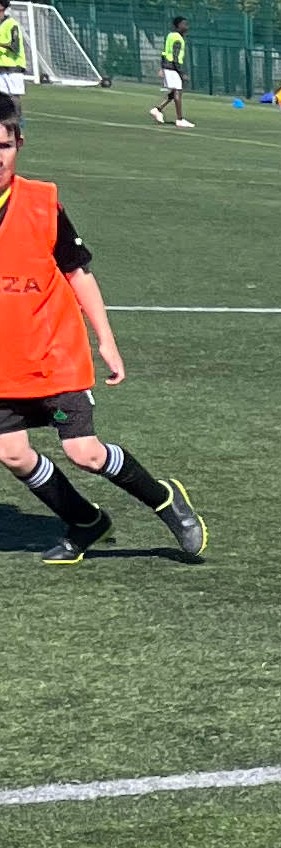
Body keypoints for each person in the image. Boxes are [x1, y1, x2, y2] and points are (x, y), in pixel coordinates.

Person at [0, 100, 206, 565]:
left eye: (5, 145)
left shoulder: (41, 204)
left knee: (84, 453)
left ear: (19, 144)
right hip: (4, 364)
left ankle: (164, 501)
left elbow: (78, 274)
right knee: (12, 453)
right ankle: (87, 521)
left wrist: (105, 339)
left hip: (54, 356)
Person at [152, 17, 190, 127]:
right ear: (178, 26)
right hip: (172, 68)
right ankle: (180, 119)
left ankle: (157, 109)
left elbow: (164, 53)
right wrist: (181, 73)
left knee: (174, 92)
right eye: (184, 24)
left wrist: (162, 67)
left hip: (168, 66)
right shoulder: (178, 38)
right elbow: (175, 57)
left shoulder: (170, 36)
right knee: (178, 92)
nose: (186, 27)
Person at [0, 1, 30, 112]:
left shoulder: (11, 24)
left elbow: (15, 46)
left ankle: (18, 127)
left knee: (14, 103)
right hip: (0, 70)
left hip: (12, 71)